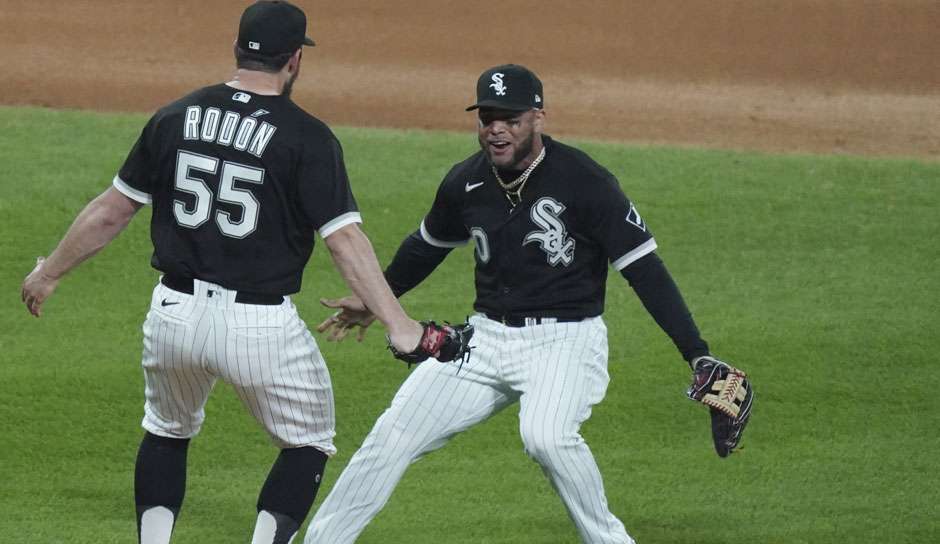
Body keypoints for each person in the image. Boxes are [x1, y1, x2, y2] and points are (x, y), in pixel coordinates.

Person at [19, 2, 424, 543]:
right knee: (307, 442)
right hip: (259, 327)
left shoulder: (177, 114)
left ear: (238, 49)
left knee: (167, 430)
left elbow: (113, 209)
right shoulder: (307, 137)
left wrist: (50, 271)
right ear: (295, 59)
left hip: (173, 314)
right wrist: (398, 322)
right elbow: (345, 241)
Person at [307, 64, 740, 544]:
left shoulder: (586, 180)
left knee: (546, 437)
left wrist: (696, 352)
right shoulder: (466, 182)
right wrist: (376, 299)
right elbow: (425, 246)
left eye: (510, 118)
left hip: (565, 343)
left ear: (538, 117)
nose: (496, 128)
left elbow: (644, 269)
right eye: (487, 116)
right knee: (392, 434)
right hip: (485, 341)